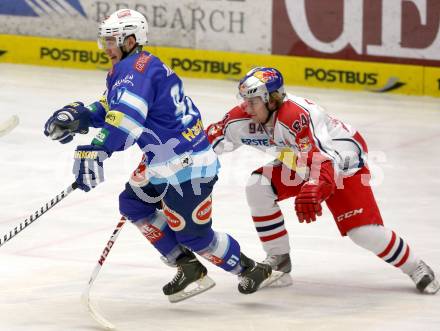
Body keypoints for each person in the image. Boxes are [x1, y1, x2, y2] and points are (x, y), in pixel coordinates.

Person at [43, 9, 282, 302]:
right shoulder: (136, 67)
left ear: (131, 40)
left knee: (195, 236)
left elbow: (127, 121)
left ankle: (250, 269)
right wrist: (81, 115)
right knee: (132, 203)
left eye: (112, 41)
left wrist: (97, 149)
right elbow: (113, 106)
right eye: (103, 40)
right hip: (162, 161)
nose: (106, 47)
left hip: (188, 168)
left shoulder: (135, 72)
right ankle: (187, 265)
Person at [204, 66, 439, 294]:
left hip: (341, 163)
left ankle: (415, 266)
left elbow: (324, 163)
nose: (246, 107)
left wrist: (315, 187)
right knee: (258, 187)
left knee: (363, 233)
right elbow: (206, 143)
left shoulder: (297, 116)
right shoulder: (241, 118)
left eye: (252, 101)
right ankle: (279, 262)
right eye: (244, 99)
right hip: (301, 160)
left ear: (272, 100)